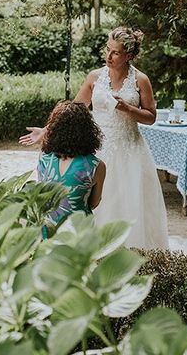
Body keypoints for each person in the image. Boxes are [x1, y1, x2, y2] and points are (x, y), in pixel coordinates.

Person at [21, 27, 169, 250]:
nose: (109, 56)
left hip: (129, 149)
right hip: (96, 147)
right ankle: (93, 248)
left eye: (115, 53)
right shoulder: (94, 77)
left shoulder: (140, 80)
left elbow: (150, 117)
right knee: (96, 199)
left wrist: (128, 108)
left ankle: (129, 250)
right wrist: (46, 130)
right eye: (107, 50)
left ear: (129, 55)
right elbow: (73, 109)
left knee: (129, 202)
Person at [37, 101, 106, 226]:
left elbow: (42, 195)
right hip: (79, 232)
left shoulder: (44, 157)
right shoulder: (96, 165)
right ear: (88, 132)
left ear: (54, 129)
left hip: (48, 229)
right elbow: (94, 203)